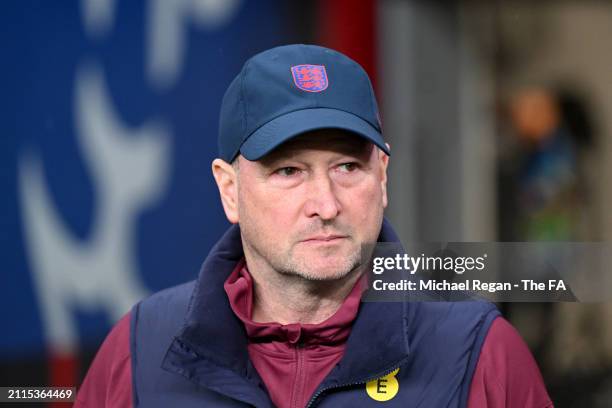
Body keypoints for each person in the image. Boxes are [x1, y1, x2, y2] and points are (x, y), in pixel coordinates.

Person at [75, 44, 553, 408]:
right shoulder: (141, 354)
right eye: (289, 171)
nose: (325, 204)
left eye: (348, 167)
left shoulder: (478, 356)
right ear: (229, 190)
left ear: (382, 178)